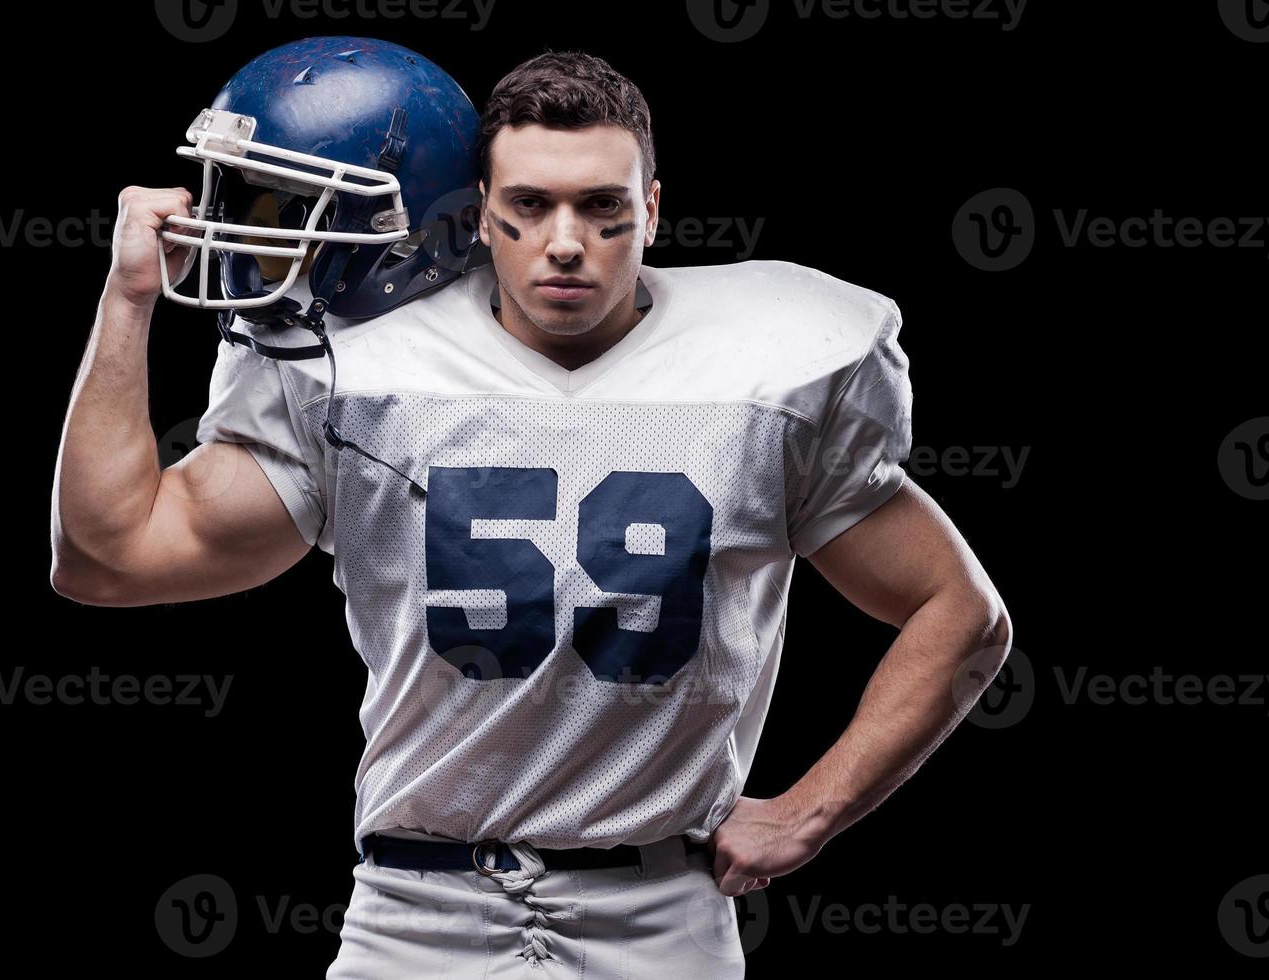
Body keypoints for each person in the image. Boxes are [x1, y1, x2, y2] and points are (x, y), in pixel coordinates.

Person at [52, 41, 1012, 979]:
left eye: (601, 208)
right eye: (527, 205)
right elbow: (111, 559)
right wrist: (127, 298)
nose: (564, 242)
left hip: (660, 914)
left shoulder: (771, 379)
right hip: (412, 915)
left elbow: (958, 610)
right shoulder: (358, 371)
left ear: (652, 210)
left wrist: (810, 810)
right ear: (476, 216)